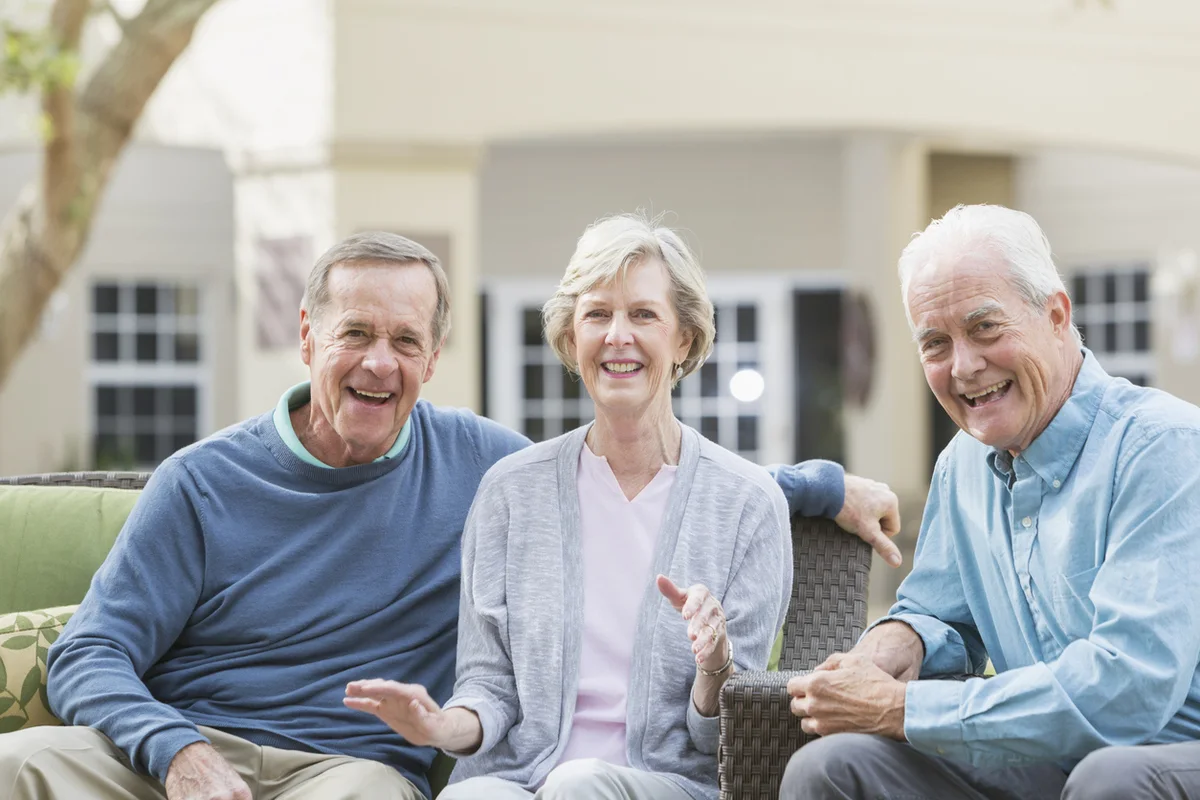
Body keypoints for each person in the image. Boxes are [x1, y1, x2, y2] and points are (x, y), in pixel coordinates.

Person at [0, 231, 899, 800]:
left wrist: (822, 488)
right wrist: (175, 752)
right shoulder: (203, 481)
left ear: (433, 358)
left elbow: (640, 476)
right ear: (309, 337)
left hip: (338, 772)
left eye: (404, 341)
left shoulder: (483, 467)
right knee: (18, 765)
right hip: (178, 750)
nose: (378, 363)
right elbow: (91, 650)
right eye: (355, 333)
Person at [344, 213, 812, 799]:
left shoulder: (747, 504)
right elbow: (489, 687)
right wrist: (441, 726)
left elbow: (726, 731)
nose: (618, 334)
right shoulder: (512, 491)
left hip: (670, 782)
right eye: (597, 314)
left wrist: (715, 661)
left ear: (683, 338)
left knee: (579, 785)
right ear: (571, 339)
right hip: (520, 776)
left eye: (643, 314)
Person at [781, 204, 1200, 800]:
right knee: (833, 767)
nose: (964, 366)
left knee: (1110, 780)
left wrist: (905, 708)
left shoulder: (1166, 447)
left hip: (1162, 754)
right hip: (1052, 761)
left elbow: (1129, 689)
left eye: (985, 328)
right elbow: (946, 615)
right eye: (935, 343)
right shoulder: (961, 465)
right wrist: (904, 638)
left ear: (1055, 315)